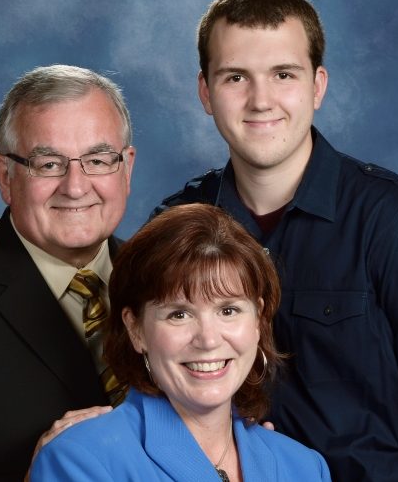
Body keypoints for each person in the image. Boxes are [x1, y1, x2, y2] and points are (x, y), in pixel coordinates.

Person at [0, 0, 398, 480]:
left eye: (283, 74)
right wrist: (3, 243)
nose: (260, 99)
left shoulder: (395, 224)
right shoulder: (179, 220)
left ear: (317, 85)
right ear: (205, 91)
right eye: (234, 77)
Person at [0, 65, 136, 480]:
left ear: (126, 167)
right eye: (48, 163)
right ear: (5, 176)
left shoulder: (169, 287)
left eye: (98, 159)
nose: (75, 186)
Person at [29, 203, 331, 481]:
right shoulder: (80, 460)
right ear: (136, 330)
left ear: (258, 321)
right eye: (179, 314)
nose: (209, 339)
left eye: (228, 310)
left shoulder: (304, 467)